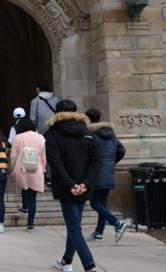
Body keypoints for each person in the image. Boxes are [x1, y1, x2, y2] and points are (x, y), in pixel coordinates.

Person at [45, 99, 101, 272]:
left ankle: (89, 265)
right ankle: (66, 261)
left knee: (74, 226)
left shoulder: (52, 134)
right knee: (74, 224)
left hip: (67, 186)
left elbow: (55, 162)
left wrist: (71, 184)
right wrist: (85, 184)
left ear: (57, 113)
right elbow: (96, 161)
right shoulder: (89, 133)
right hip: (83, 186)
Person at [85, 108, 128, 243]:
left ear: (87, 118)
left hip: (96, 171)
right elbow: (121, 150)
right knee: (102, 203)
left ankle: (117, 223)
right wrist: (110, 162)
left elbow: (88, 154)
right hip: (108, 170)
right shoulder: (111, 134)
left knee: (94, 203)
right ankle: (99, 232)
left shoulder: (91, 134)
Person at [11, 117, 46, 231]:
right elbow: (43, 156)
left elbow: (13, 156)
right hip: (36, 169)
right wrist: (44, 168)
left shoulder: (18, 137)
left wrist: (12, 169)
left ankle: (24, 206)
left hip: (21, 169)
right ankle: (30, 223)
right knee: (33, 199)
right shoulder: (40, 137)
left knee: (24, 188)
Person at [8, 107, 28, 214]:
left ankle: (25, 205)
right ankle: (30, 205)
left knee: (24, 183)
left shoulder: (14, 127)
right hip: (32, 155)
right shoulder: (31, 126)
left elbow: (11, 141)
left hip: (20, 155)